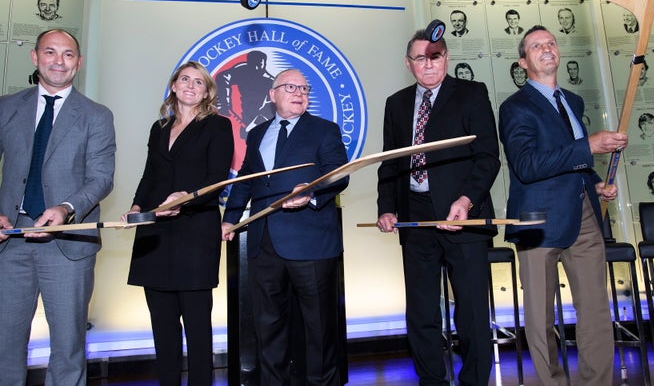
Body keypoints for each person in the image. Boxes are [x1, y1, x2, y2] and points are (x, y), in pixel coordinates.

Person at [0, 29, 116, 386]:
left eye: (67, 55)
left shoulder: (97, 115)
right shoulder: (4, 108)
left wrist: (64, 208)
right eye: (50, 52)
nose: (58, 61)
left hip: (68, 246)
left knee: (68, 348)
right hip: (9, 242)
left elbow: (101, 178)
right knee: (3, 347)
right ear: (35, 57)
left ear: (78, 63)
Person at [499, 25, 626, 385]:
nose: (547, 48)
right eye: (536, 46)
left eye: (551, 43)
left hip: (584, 213)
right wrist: (588, 147)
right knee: (540, 317)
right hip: (536, 220)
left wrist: (596, 183)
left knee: (596, 310)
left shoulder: (574, 101)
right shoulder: (514, 108)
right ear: (523, 62)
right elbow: (526, 165)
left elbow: (571, 160)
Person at [376, 30, 500, 385]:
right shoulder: (396, 104)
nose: (428, 64)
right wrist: (387, 207)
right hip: (415, 217)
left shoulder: (472, 94)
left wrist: (465, 200)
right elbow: (390, 163)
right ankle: (431, 381)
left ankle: (475, 380)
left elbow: (488, 157)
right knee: (421, 312)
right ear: (408, 63)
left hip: (463, 214)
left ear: (446, 58)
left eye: (435, 56)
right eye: (420, 58)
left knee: (472, 311)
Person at [221, 69, 349, 386]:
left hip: (312, 244)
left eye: (304, 88)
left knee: (319, 328)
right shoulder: (257, 133)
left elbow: (339, 174)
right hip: (265, 245)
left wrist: (310, 191)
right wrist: (230, 218)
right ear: (272, 94)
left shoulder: (324, 130)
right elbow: (246, 182)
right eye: (290, 87)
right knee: (268, 327)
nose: (299, 93)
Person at [125, 62, 234, 386]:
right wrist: (136, 207)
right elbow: (149, 176)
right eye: (184, 79)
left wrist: (186, 198)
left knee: (198, 329)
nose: (190, 85)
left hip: (195, 235)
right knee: (162, 326)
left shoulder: (218, 126)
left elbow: (217, 179)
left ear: (207, 92)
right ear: (173, 86)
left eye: (198, 82)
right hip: (154, 234)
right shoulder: (159, 128)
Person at [215, 50, 275, 139]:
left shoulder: (270, 82)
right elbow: (223, 77)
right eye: (254, 64)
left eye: (260, 64)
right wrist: (225, 102)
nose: (257, 68)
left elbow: (269, 108)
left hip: (262, 119)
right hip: (245, 114)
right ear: (249, 63)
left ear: (264, 64)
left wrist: (255, 123)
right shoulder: (242, 71)